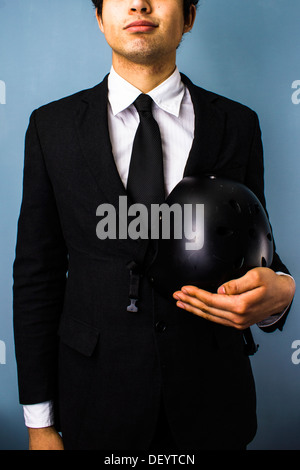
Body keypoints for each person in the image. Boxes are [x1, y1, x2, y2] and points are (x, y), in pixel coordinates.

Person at [13, 0, 295, 451]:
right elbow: (36, 276)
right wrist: (40, 423)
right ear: (100, 17)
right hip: (95, 398)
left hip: (213, 401)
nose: (140, 3)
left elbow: (255, 249)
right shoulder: (52, 127)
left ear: (190, 16)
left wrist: (282, 290)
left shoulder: (238, 124)